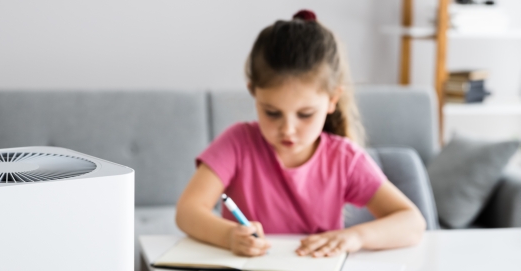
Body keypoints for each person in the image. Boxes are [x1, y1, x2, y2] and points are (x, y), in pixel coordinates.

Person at [176, 10, 426, 258]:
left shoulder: (344, 158)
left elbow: (413, 222)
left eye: (305, 114)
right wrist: (229, 236)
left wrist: (355, 236)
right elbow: (187, 211)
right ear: (253, 92)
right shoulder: (237, 143)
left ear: (332, 100)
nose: (287, 129)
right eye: (272, 112)